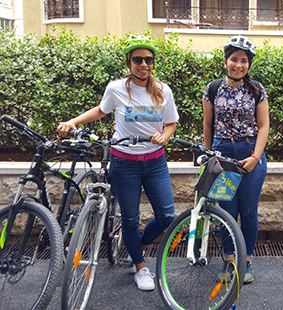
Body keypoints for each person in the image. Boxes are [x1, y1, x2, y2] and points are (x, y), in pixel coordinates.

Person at [57, 35, 179, 291]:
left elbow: (170, 123)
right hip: (124, 164)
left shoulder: (162, 90)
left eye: (148, 60)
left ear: (153, 64)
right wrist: (74, 122)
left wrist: (164, 137)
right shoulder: (116, 88)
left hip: (156, 162)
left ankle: (140, 244)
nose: (143, 64)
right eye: (138, 60)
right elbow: (101, 110)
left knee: (167, 215)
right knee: (131, 219)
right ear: (129, 63)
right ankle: (140, 266)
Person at [202, 35, 270, 284]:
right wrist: (209, 155)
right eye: (233, 59)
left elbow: (264, 127)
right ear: (225, 61)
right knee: (227, 211)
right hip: (223, 154)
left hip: (251, 150)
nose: (238, 65)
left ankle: (247, 261)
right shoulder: (212, 88)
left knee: (249, 211)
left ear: (249, 64)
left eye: (243, 60)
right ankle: (230, 260)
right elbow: (207, 125)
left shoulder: (256, 89)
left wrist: (255, 157)